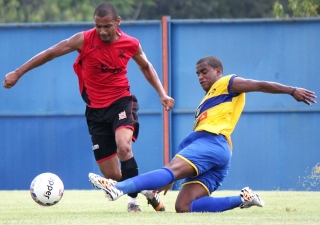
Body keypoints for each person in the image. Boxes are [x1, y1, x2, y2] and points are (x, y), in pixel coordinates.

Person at [88, 55, 317, 213]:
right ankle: (243, 198)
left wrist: (292, 90)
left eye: (204, 71)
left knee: (169, 171)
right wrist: (171, 176)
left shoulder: (228, 82)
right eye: (197, 73)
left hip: (213, 143)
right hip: (219, 154)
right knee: (184, 206)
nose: (200, 77)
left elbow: (258, 84)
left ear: (218, 71)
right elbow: (192, 145)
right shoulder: (205, 103)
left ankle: (118, 188)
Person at [3, 3, 174, 213]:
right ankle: (146, 190)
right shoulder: (83, 39)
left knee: (124, 147)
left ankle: (133, 203)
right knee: (111, 174)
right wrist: (18, 73)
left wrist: (162, 93)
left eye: (107, 26)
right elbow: (50, 53)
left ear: (118, 22)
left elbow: (146, 67)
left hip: (122, 102)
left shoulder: (131, 43)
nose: (102, 31)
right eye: (98, 26)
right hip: (95, 111)